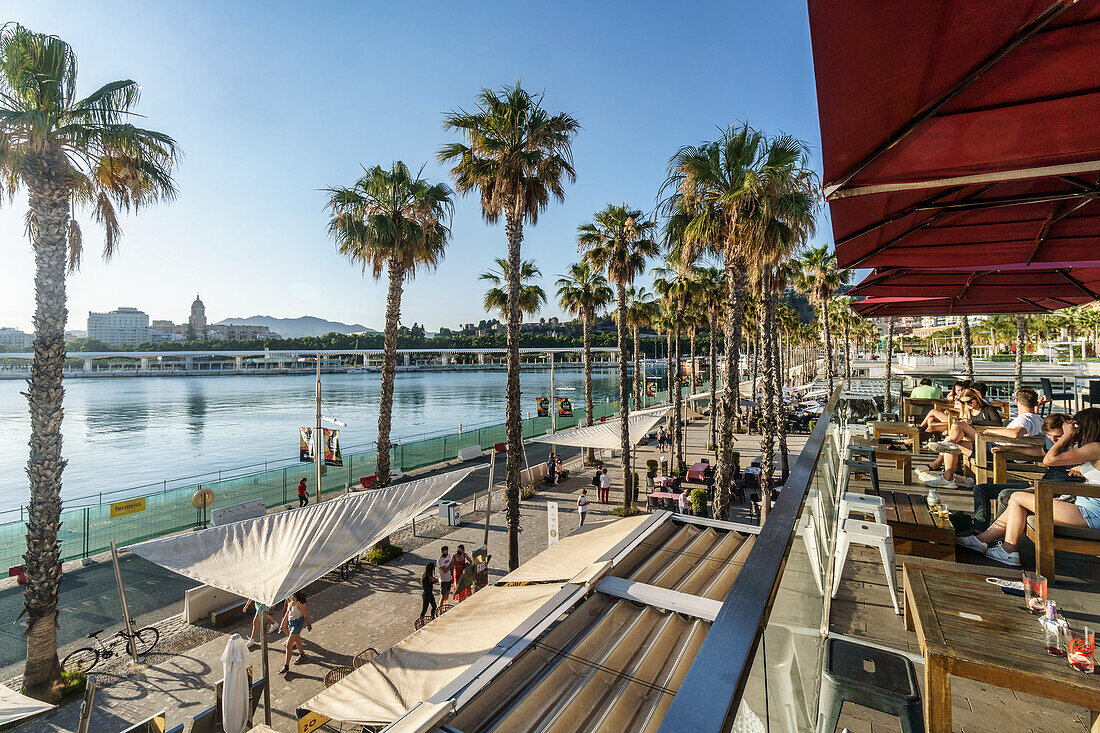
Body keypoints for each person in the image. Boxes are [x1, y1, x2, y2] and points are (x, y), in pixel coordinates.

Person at [959, 408, 1100, 566]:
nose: (1076, 430)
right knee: (1019, 502)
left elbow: (1049, 460)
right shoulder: (1095, 449)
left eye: (1078, 426)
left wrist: (1067, 436)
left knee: (1017, 497)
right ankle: (1000, 548)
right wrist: (1082, 470)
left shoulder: (1095, 447)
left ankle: (996, 546)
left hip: (1091, 515)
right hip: (1085, 507)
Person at [961, 413, 1082, 534]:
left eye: (1058, 437)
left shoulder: (1079, 447)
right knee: (981, 489)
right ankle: (978, 530)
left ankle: (995, 537)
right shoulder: (1052, 440)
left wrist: (1082, 468)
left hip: (1054, 490)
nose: (1053, 440)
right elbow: (1042, 451)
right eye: (1049, 435)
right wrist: (1011, 449)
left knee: (1005, 494)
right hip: (1041, 482)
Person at [921, 388, 1006, 489]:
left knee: (957, 427)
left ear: (977, 399)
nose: (967, 404)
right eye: (964, 402)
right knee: (952, 445)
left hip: (988, 445)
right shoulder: (967, 411)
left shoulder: (987, 409)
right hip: (975, 443)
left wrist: (973, 423)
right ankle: (948, 477)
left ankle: (946, 470)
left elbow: (998, 423)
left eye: (969, 401)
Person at [278, 591, 312, 674]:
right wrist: (283, 624)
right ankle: (302, 654)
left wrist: (309, 624)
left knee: (289, 644)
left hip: (297, 623)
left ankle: (286, 666)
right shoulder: (289, 600)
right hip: (291, 623)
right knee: (297, 640)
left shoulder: (300, 602)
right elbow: (287, 612)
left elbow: (305, 614)